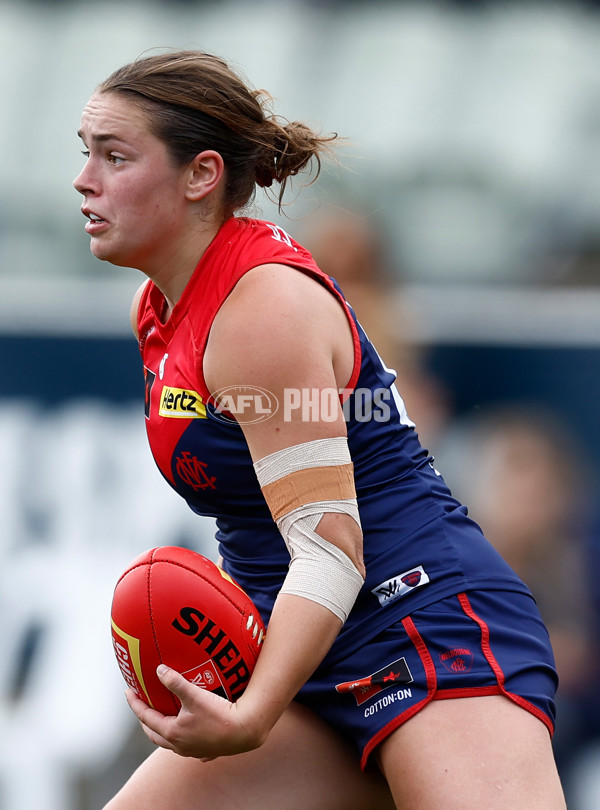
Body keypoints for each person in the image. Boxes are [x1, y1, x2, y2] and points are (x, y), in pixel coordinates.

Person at [73, 50, 567, 809]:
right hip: (304, 652)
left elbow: (330, 548)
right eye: (87, 154)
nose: (85, 180)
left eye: (115, 156)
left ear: (201, 175)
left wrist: (251, 713)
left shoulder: (260, 306)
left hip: (421, 629)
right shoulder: (161, 307)